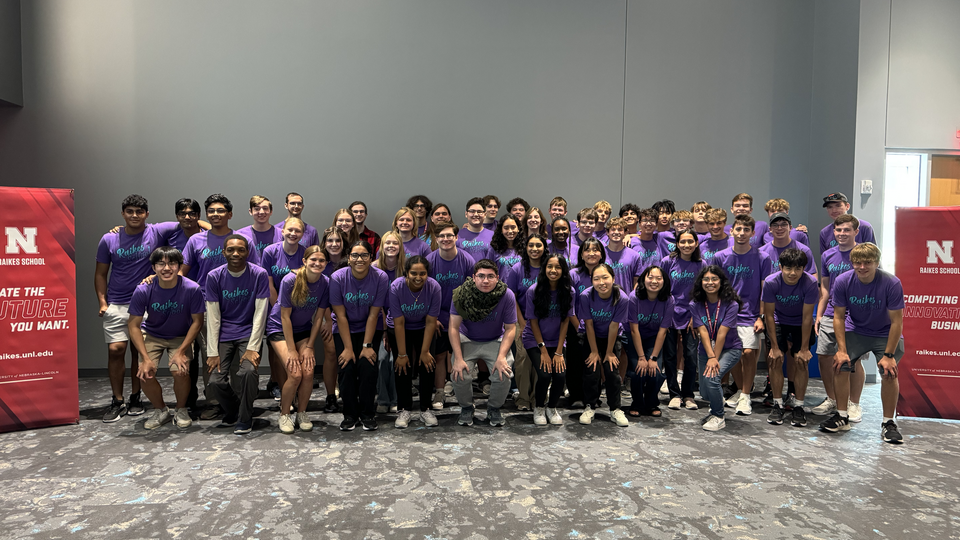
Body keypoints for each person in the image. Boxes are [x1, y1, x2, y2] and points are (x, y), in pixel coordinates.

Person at [96, 195, 180, 422]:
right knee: (116, 350)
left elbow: (188, 222)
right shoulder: (109, 239)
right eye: (130, 211)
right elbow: (101, 273)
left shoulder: (156, 231)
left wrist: (207, 224)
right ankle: (117, 399)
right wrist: (103, 302)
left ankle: (135, 397)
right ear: (123, 213)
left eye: (139, 211)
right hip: (117, 302)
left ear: (147, 214)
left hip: (146, 303)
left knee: (138, 352)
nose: (135, 215)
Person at [181, 194, 262, 420]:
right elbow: (183, 274)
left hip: (239, 305)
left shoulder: (241, 240)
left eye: (220, 211)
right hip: (206, 307)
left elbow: (256, 273)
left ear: (230, 214)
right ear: (206, 215)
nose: (216, 215)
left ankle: (238, 402)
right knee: (212, 356)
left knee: (238, 362)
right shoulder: (196, 241)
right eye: (212, 211)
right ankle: (215, 403)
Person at [820, 243, 905, 444]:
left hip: (884, 332)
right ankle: (842, 416)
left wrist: (889, 356)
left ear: (876, 262)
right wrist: (841, 350)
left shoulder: (891, 283)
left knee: (889, 372)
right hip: (856, 329)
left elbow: (897, 321)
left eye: (868, 262)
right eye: (857, 262)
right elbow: (838, 317)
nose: (862, 267)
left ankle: (888, 423)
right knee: (840, 365)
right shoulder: (842, 281)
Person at [127, 246, 205, 429]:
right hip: (153, 334)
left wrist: (181, 351)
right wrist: (145, 359)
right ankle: (160, 409)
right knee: (145, 373)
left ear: (179, 266)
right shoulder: (143, 289)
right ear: (153, 268)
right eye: (161, 264)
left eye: (172, 263)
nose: (166, 268)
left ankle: (181, 409)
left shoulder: (192, 289)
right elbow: (133, 325)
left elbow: (197, 322)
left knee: (180, 370)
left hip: (181, 336)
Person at [205, 234, 270, 434]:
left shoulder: (259, 274)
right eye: (231, 250)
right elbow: (213, 316)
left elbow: (260, 312)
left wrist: (252, 347)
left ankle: (245, 418)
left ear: (247, 252)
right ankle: (234, 410)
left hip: (249, 333)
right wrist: (212, 351)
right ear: (223, 252)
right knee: (215, 381)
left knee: (249, 372)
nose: (236, 253)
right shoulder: (214, 276)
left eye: (241, 250)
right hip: (224, 334)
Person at [714, 214, 774, 416]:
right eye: (738, 229)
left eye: (746, 230)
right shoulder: (720, 257)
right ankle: (740, 391)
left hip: (750, 315)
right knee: (732, 357)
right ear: (731, 231)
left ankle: (746, 396)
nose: (741, 233)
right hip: (726, 314)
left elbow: (765, 290)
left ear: (753, 233)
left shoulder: (762, 258)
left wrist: (761, 316)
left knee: (748, 354)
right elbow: (715, 288)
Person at [266, 246, 329, 434]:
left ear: (326, 264)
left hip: (303, 330)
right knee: (295, 373)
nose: (317, 264)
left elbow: (319, 318)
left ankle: (302, 412)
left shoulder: (325, 282)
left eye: (321, 261)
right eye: (313, 260)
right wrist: (292, 350)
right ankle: (285, 414)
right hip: (279, 329)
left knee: (308, 372)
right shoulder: (290, 280)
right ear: (304, 261)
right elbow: (284, 317)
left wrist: (310, 346)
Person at [329, 241, 390, 431]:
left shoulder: (380, 277)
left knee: (367, 366)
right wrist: (348, 348)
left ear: (371, 258)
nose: (359, 259)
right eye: (355, 255)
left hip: (369, 328)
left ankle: (367, 414)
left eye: (364, 255)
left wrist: (366, 345)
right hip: (344, 327)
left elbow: (374, 314)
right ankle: (349, 414)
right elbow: (340, 315)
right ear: (349, 258)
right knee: (346, 367)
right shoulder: (337, 277)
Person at [449, 259, 517, 427]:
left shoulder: (506, 295)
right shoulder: (461, 294)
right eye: (481, 276)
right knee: (460, 374)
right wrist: (458, 358)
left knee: (504, 373)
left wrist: (501, 357)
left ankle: (494, 408)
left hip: (495, 339)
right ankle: (466, 407)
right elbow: (453, 327)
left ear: (497, 278)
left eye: (490, 276)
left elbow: (510, 329)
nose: (485, 280)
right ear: (474, 277)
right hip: (467, 338)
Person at [813, 214, 866, 420]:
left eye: (846, 230)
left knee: (853, 359)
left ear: (855, 232)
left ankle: (854, 404)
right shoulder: (828, 255)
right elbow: (825, 288)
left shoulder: (862, 253)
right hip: (830, 313)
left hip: (855, 316)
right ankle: (832, 399)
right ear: (833, 232)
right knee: (825, 356)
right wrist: (818, 315)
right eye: (838, 230)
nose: (842, 234)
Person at [762, 248, 818, 427]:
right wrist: (775, 347)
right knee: (776, 359)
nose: (793, 273)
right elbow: (769, 315)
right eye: (788, 268)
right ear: (780, 267)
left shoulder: (810, 283)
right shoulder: (771, 282)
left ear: (804, 269)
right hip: (778, 319)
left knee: (801, 361)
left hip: (800, 321)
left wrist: (803, 349)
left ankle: (798, 406)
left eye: (798, 269)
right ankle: (777, 403)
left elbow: (808, 317)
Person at [426, 222, 477, 411]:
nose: (446, 239)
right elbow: (425, 292)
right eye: (441, 236)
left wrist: (464, 316)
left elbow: (472, 290)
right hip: (438, 318)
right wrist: (433, 318)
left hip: (461, 317)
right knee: (439, 356)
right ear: (436, 239)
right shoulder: (430, 260)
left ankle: (463, 392)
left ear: (456, 237)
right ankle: (440, 391)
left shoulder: (467, 260)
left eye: (449, 235)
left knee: (461, 356)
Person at [387, 256, 441, 428]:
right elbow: (399, 322)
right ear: (406, 273)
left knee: (428, 364)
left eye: (423, 273)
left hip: (423, 326)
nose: (418, 277)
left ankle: (425, 408)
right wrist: (402, 354)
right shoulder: (396, 287)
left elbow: (432, 321)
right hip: (400, 328)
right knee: (402, 366)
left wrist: (425, 352)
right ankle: (404, 408)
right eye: (414, 273)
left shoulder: (434, 287)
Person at [524, 254, 577, 425]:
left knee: (560, 376)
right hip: (535, 339)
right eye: (549, 267)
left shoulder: (569, 292)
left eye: (558, 267)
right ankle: (539, 407)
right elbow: (533, 322)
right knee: (545, 375)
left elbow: (565, 321)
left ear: (563, 270)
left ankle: (551, 407)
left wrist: (559, 351)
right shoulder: (533, 290)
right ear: (544, 269)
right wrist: (543, 350)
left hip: (557, 340)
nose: (553, 271)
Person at [691, 265, 744, 431]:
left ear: (721, 282)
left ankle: (719, 415)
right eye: (706, 279)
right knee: (705, 391)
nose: (710, 282)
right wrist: (710, 356)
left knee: (713, 378)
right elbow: (703, 332)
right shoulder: (695, 304)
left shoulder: (731, 304)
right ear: (701, 282)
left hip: (730, 348)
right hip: (705, 349)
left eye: (714, 279)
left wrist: (714, 358)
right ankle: (716, 401)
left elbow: (721, 333)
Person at [258, 217, 305, 401]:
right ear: (283, 231)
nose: (293, 234)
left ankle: (295, 388)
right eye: (290, 230)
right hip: (275, 308)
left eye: (298, 231)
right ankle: (278, 384)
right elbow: (268, 284)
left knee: (296, 353)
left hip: (300, 310)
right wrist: (280, 309)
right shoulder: (270, 252)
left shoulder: (304, 253)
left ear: (302, 234)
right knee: (277, 352)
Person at [577, 264, 630, 427]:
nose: (601, 282)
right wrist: (594, 351)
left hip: (611, 337)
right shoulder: (586, 296)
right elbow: (589, 325)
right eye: (596, 279)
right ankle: (590, 406)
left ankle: (615, 409)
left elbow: (614, 326)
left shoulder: (622, 298)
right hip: (590, 336)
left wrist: (608, 352)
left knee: (612, 371)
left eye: (605, 277)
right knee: (591, 370)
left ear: (613, 279)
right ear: (592, 281)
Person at [659, 229, 706, 411]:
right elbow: (662, 289)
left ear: (696, 243)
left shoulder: (702, 264)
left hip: (692, 317)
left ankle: (688, 395)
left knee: (691, 357)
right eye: (683, 242)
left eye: (690, 241)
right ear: (677, 244)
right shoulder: (667, 262)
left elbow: (703, 293)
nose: (686, 245)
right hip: (670, 314)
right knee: (669, 356)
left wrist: (696, 317)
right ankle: (674, 394)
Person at [507, 233, 548, 412]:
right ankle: (523, 398)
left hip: (545, 322)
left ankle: (537, 397)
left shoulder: (549, 268)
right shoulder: (517, 269)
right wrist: (522, 323)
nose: (534, 249)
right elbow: (512, 298)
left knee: (541, 359)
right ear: (526, 248)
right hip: (521, 319)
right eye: (531, 245)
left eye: (538, 245)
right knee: (523, 359)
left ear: (544, 248)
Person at [626, 265, 673, 417]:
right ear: (643, 279)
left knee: (655, 370)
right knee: (638, 370)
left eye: (659, 278)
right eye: (650, 277)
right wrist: (641, 357)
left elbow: (663, 330)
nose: (654, 281)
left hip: (654, 337)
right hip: (634, 337)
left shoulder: (669, 299)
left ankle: (652, 402)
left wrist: (652, 357)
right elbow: (634, 329)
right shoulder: (634, 297)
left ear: (664, 281)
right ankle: (637, 403)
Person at [319, 226, 349, 413]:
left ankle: (349, 393)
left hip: (349, 314)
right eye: (330, 240)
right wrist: (328, 320)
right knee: (331, 352)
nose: (334, 244)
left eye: (338, 240)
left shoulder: (351, 261)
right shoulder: (320, 262)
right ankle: (331, 396)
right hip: (325, 314)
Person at [760, 213, 817, 277]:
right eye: (775, 225)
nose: (779, 228)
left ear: (790, 228)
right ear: (770, 229)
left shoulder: (803, 250)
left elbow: (812, 275)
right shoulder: (761, 253)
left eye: (783, 224)